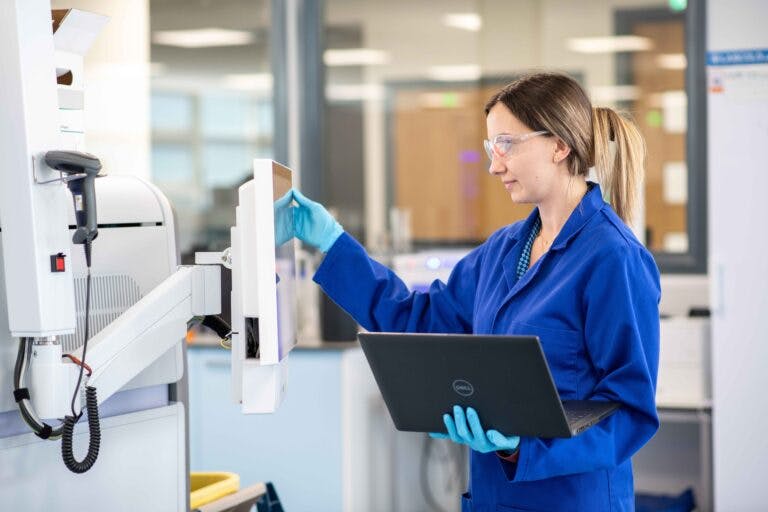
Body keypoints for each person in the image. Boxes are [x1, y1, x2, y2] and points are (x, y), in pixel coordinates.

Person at [279, 72, 660, 511]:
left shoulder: (613, 257)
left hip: (573, 499)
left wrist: (523, 447)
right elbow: (416, 320)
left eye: (507, 144)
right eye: (490, 148)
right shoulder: (503, 250)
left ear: (559, 145)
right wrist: (332, 243)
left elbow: (631, 412)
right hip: (493, 496)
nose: (495, 164)